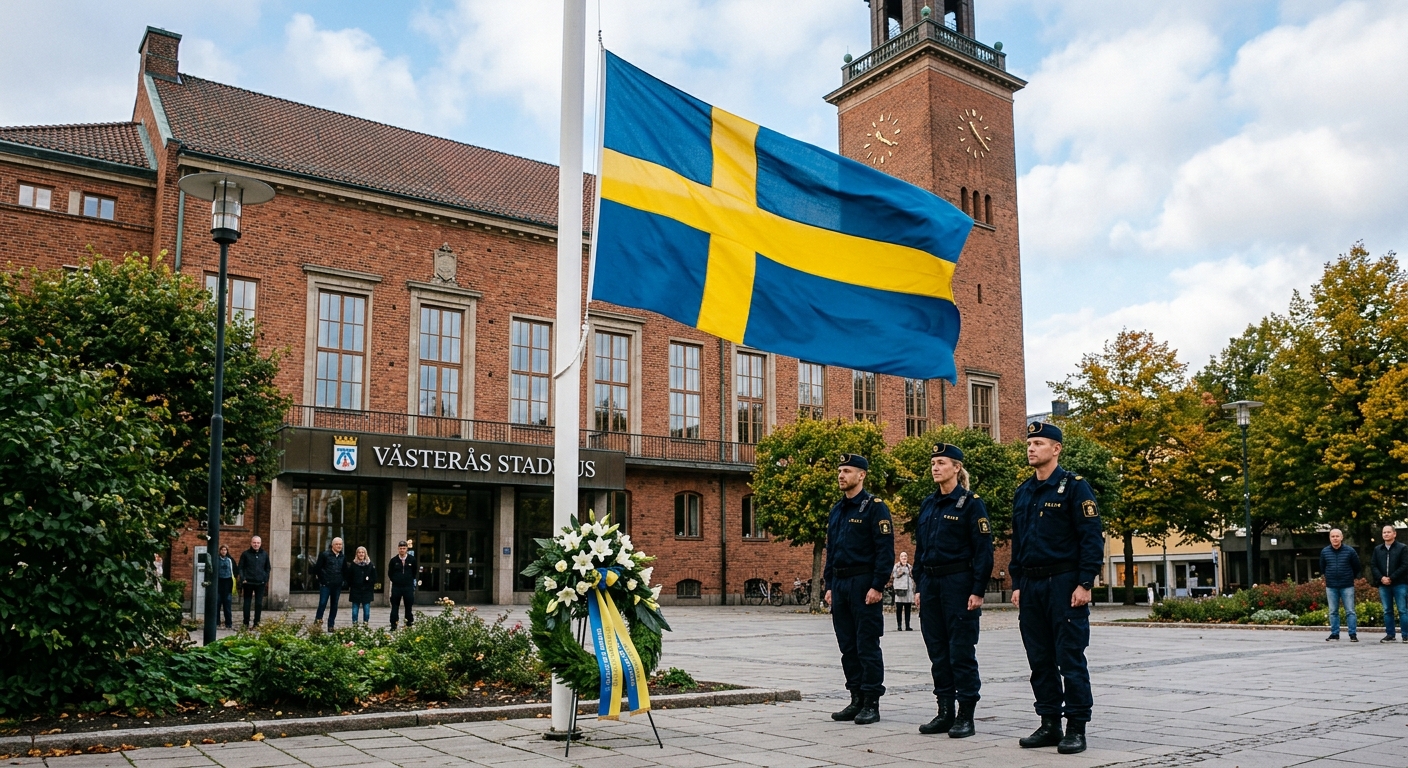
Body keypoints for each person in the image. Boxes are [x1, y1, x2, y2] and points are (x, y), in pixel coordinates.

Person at [1010, 422, 1104, 755]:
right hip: (1032, 585)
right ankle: (1049, 723)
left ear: (1056, 448)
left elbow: (1091, 537)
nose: (1031, 448)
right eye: (1029, 443)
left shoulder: (1075, 487)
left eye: (1038, 443)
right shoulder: (1024, 492)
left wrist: (1085, 582)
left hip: (1064, 584)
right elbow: (1018, 543)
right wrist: (1018, 582)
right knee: (1039, 659)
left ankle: (1076, 726)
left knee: (1070, 658)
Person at [913, 443, 993, 739]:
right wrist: (920, 584)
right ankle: (944, 711)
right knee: (937, 652)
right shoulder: (929, 504)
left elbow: (983, 550)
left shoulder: (972, 504)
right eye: (933, 462)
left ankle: (965, 715)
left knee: (960, 652)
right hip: (932, 586)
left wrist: (978, 590)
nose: (935, 467)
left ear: (957, 468)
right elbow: (921, 549)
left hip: (959, 584)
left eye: (942, 462)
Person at [823, 453, 895, 726]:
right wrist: (829, 585)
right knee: (847, 647)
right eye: (840, 470)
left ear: (861, 475)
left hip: (863, 583)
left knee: (867, 645)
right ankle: (855, 698)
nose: (841, 475)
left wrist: (878, 584)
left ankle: (871, 702)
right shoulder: (837, 509)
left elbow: (884, 550)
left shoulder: (874, 507)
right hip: (840, 585)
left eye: (847, 471)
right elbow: (832, 551)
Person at [1321, 528, 1361, 642]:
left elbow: (1357, 566)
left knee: (1350, 611)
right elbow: (1322, 567)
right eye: (1332, 536)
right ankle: (1334, 634)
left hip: (1347, 585)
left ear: (1341, 537)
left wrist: (1349, 577)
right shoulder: (1325, 552)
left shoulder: (1350, 551)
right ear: (1330, 538)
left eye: (1337, 536)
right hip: (1331, 586)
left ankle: (1352, 634)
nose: (1335, 538)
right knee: (1333, 611)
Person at [1373, 525, 1408, 643]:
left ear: (1394, 534)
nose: (1386, 534)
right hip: (1383, 584)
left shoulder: (1402, 548)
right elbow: (1374, 566)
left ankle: (1406, 635)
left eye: (1388, 532)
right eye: (1384, 532)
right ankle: (1390, 634)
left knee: (1402, 610)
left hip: (1400, 583)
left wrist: (1391, 578)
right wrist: (1382, 578)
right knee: (1387, 610)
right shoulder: (1378, 549)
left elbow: (1405, 565)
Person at [313, 537, 347, 631]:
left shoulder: (342, 557)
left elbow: (345, 570)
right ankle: (317, 625)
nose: (339, 546)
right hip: (326, 585)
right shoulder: (324, 555)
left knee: (334, 605)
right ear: (332, 545)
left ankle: (331, 626)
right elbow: (317, 568)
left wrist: (343, 581)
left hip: (337, 585)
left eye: (340, 544)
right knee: (322, 604)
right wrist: (323, 580)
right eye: (337, 544)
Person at [238, 536, 271, 628]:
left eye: (258, 543)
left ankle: (257, 622)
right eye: (254, 543)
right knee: (247, 603)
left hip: (260, 583)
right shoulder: (245, 554)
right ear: (251, 543)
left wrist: (265, 578)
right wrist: (243, 578)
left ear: (260, 543)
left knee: (259, 603)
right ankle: (246, 622)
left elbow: (268, 568)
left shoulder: (264, 554)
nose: (256, 544)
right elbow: (240, 567)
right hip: (248, 582)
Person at [388, 540, 418, 630]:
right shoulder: (394, 560)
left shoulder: (412, 560)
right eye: (400, 548)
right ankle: (394, 624)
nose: (402, 550)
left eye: (404, 548)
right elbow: (390, 573)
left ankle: (409, 623)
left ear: (406, 549)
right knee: (395, 606)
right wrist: (396, 580)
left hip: (408, 587)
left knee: (408, 606)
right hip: (397, 587)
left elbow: (414, 572)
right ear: (398, 549)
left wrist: (409, 580)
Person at [347, 545, 377, 626]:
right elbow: (349, 578)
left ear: (365, 554)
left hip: (367, 591)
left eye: (362, 552)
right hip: (355, 590)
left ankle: (365, 623)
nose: (361, 554)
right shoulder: (353, 565)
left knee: (366, 609)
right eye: (359, 552)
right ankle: (355, 624)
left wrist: (369, 582)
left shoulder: (370, 565)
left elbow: (374, 578)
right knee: (355, 610)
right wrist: (353, 585)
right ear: (357, 554)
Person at [892, 553, 914, 631]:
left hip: (908, 591)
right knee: (899, 609)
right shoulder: (897, 566)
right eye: (902, 556)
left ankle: (907, 625)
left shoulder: (909, 566)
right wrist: (902, 571)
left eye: (905, 556)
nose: (904, 558)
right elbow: (895, 575)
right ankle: (899, 625)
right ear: (900, 558)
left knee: (908, 609)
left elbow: (913, 576)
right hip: (900, 591)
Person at [216, 544, 235, 629]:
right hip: (219, 584)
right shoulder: (216, 560)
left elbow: (234, 572)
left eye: (225, 550)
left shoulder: (230, 560)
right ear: (220, 551)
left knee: (227, 607)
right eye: (222, 550)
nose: (223, 551)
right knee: (217, 605)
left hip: (227, 585)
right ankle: (217, 622)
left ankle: (228, 623)